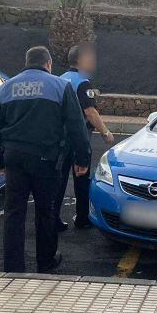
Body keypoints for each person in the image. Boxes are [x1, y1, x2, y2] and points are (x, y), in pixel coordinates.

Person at [0, 46, 90, 273]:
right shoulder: (61, 86)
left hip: (14, 159)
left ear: (26, 62)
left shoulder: (6, 88)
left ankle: (13, 267)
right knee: (46, 211)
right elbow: (76, 126)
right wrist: (83, 158)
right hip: (46, 159)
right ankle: (46, 261)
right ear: (48, 64)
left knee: (14, 214)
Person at [56, 44, 115, 231]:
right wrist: (105, 132)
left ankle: (53, 219)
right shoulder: (83, 82)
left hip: (59, 139)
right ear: (80, 61)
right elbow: (90, 112)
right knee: (82, 178)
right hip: (78, 139)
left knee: (59, 180)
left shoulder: (58, 79)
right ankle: (82, 218)